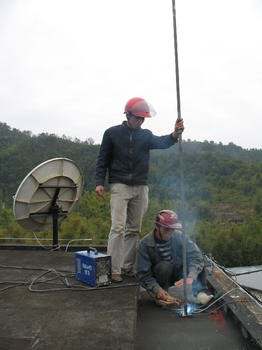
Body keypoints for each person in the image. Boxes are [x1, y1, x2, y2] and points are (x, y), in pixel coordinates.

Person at [95, 97, 184, 282]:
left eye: (143, 118)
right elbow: (102, 159)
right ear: (128, 115)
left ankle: (127, 267)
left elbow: (163, 142)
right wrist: (99, 182)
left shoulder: (145, 135)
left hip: (140, 186)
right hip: (119, 185)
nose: (141, 121)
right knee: (118, 228)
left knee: (134, 229)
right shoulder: (112, 133)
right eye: (137, 118)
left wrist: (175, 134)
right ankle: (114, 269)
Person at [136, 210, 213, 306]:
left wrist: (191, 276)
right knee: (164, 266)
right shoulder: (145, 244)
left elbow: (196, 256)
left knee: (199, 262)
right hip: (161, 277)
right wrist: (157, 289)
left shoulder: (179, 236)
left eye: (172, 229)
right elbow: (143, 275)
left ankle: (200, 292)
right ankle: (162, 294)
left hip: (178, 273)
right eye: (166, 229)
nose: (170, 233)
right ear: (157, 226)